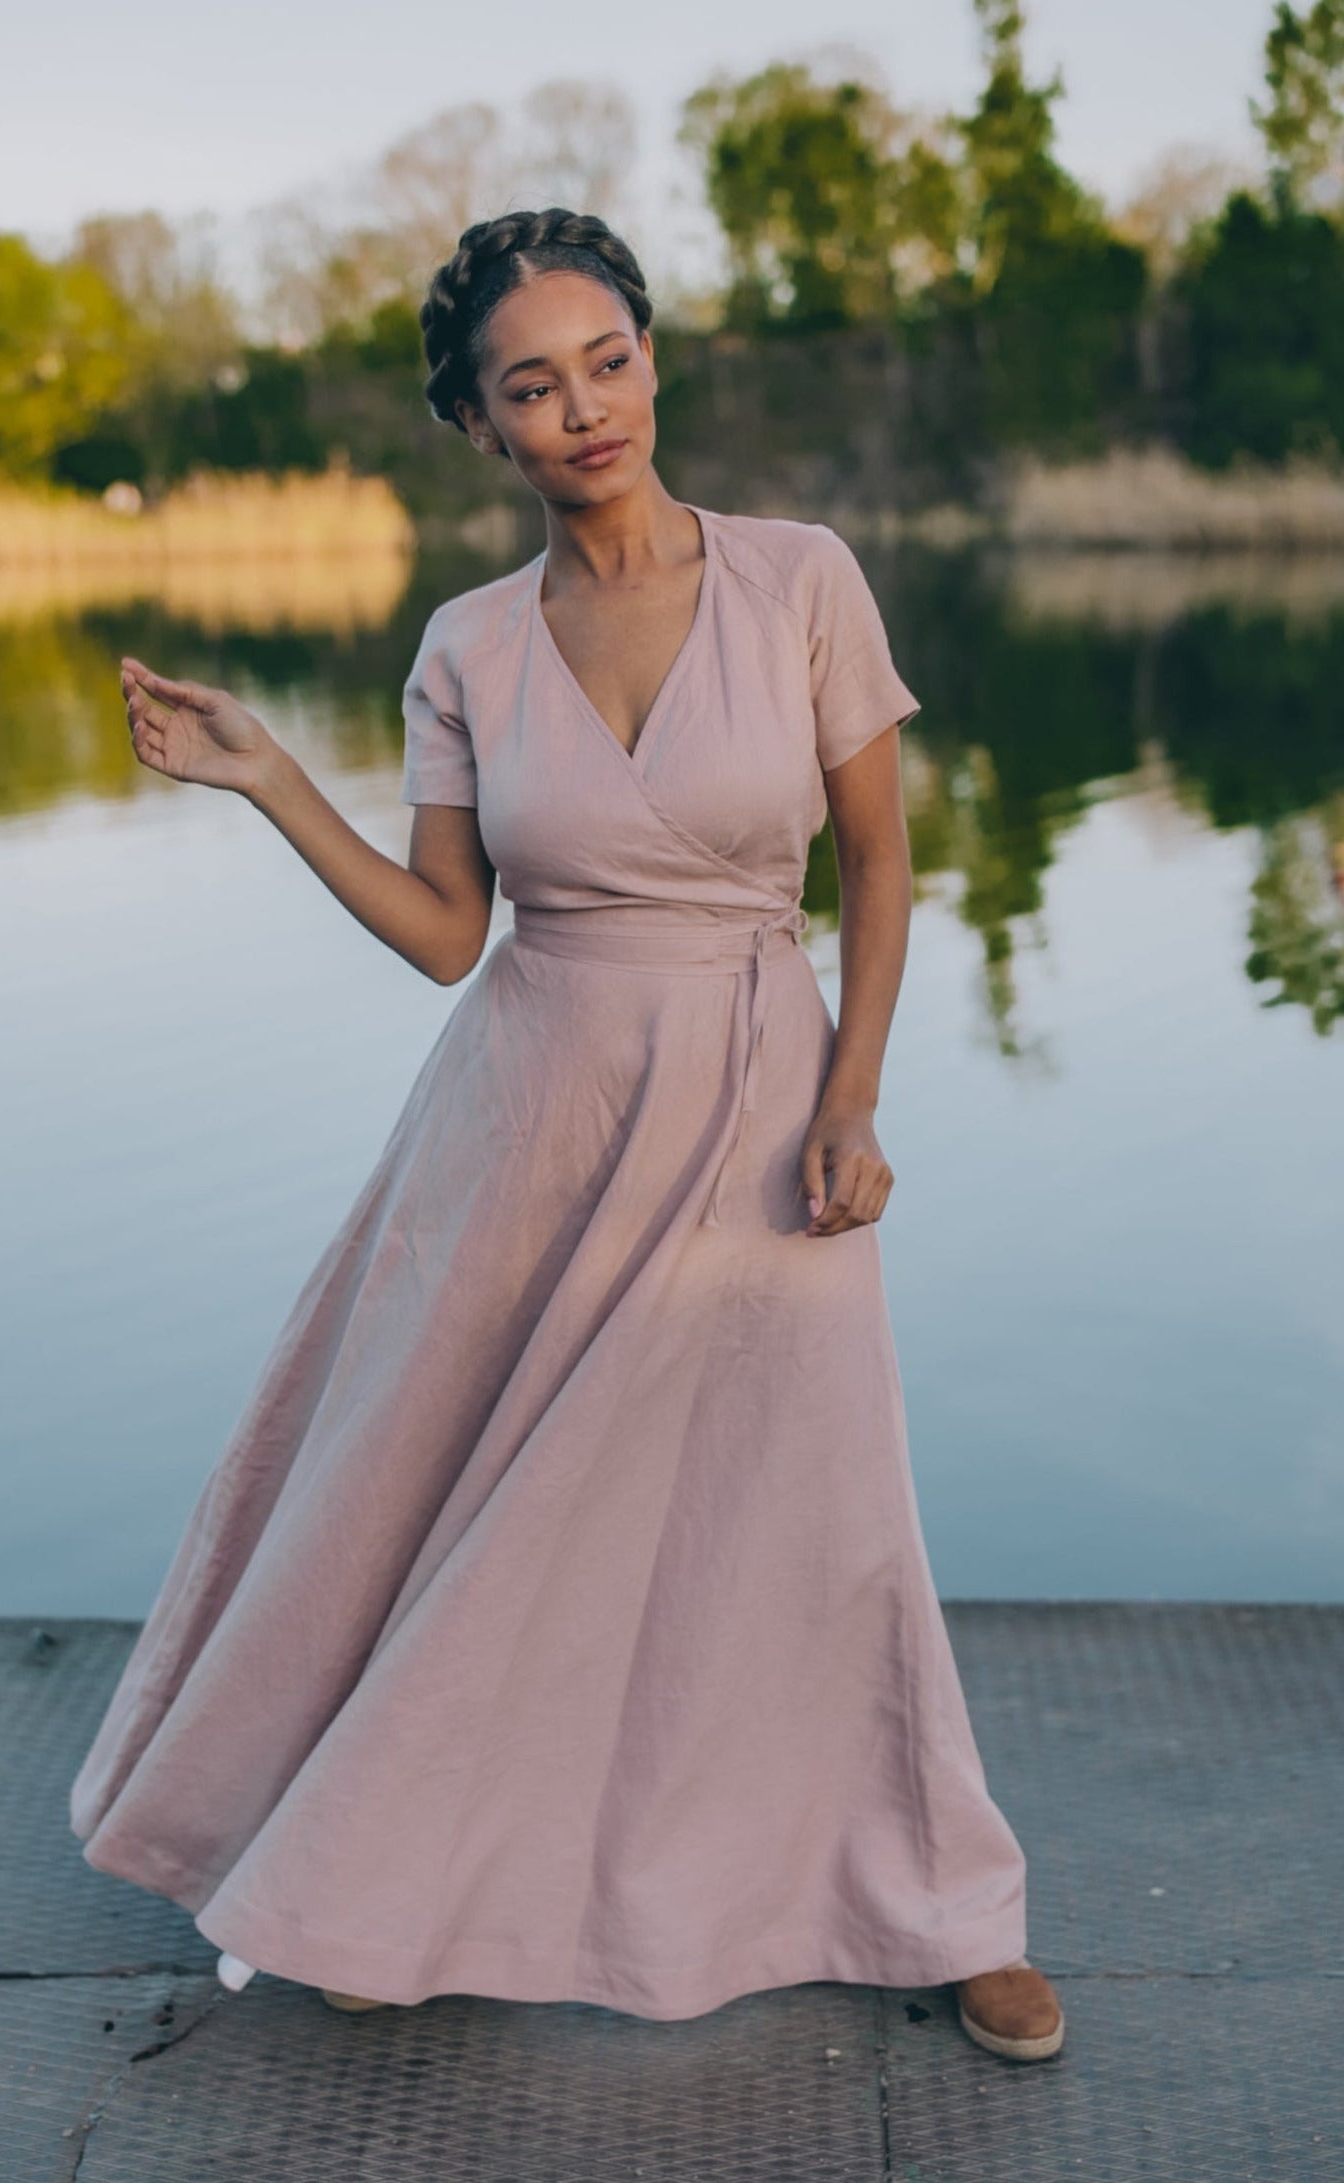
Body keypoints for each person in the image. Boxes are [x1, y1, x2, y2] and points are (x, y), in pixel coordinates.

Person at [69, 206, 1064, 2065]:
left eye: (607, 359)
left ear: (652, 358)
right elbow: (452, 936)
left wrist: (850, 1097)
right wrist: (271, 778)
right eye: (533, 382)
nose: (584, 405)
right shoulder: (463, 644)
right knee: (467, 1510)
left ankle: (939, 1903)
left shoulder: (799, 580)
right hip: (527, 1110)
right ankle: (385, 1872)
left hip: (757, 1087)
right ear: (478, 425)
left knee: (821, 1511)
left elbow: (873, 861)